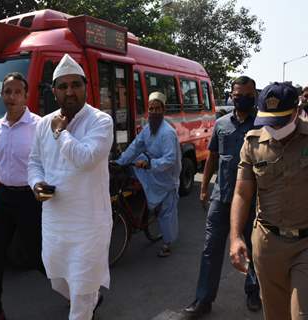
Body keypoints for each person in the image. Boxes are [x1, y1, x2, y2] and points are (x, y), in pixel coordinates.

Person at [27, 53, 113, 320]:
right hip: (55, 221)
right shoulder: (43, 124)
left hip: (89, 224)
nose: (70, 91)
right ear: (54, 92)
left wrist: (61, 133)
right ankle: (90, 299)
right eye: (63, 86)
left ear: (86, 87)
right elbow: (34, 162)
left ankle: (87, 304)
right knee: (58, 279)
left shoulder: (100, 121)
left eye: (75, 85)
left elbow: (86, 159)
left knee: (82, 290)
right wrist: (36, 183)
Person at [184, 76, 261, 318]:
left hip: (251, 200)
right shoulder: (221, 124)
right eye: (238, 95)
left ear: (255, 95)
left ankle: (253, 291)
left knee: (251, 248)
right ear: (231, 94)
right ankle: (203, 300)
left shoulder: (261, 125)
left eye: (248, 95)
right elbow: (212, 158)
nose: (242, 99)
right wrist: (205, 187)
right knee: (211, 249)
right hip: (222, 196)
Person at [229, 82, 308, 320]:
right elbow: (242, 193)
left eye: (281, 121)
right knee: (275, 315)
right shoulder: (252, 143)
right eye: (269, 121)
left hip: (305, 244)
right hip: (267, 244)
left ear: (296, 111)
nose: (274, 128)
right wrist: (235, 237)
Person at [0, 72, 43, 320]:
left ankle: (81, 296)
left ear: (25, 96)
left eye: (16, 92)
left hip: (30, 200)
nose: (11, 97)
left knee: (39, 259)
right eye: (7, 92)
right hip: (3, 200)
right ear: (2, 95)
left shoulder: (39, 126)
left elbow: (52, 165)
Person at [115, 91, 181, 257]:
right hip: (151, 171)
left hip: (166, 176)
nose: (153, 112)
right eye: (151, 109)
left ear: (163, 110)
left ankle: (167, 243)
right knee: (135, 159)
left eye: (157, 109)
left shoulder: (167, 133)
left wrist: (150, 164)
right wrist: (119, 162)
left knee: (166, 213)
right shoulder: (147, 129)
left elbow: (170, 160)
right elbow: (135, 146)